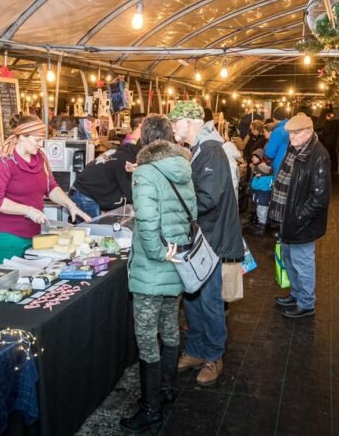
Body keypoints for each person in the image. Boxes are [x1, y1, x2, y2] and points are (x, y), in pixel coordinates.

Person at [119, 116, 195, 433]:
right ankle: (165, 389)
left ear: (144, 141)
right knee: (171, 326)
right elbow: (191, 211)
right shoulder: (182, 167)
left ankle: (150, 409)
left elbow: (147, 222)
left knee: (147, 338)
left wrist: (153, 251)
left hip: (154, 265)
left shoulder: (146, 173)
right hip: (177, 259)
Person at [168, 101, 243, 387]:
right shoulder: (199, 150)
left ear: (189, 121)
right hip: (200, 239)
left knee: (209, 301)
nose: (174, 129)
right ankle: (196, 350)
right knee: (193, 299)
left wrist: (175, 207)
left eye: (176, 123)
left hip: (210, 241)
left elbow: (207, 199)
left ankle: (214, 355)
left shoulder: (210, 150)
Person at [0, 114, 92, 264]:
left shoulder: (39, 157)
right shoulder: (3, 162)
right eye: (37, 140)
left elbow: (51, 186)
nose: (41, 144)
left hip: (32, 232)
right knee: (6, 281)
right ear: (21, 136)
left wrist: (70, 204)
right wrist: (29, 210)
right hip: (5, 234)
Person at [269, 113, 331, 318]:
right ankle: (295, 294)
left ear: (308, 132)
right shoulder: (296, 147)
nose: (291, 138)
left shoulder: (319, 155)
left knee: (302, 262)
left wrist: (299, 217)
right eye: (290, 134)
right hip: (288, 217)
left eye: (295, 134)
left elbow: (320, 198)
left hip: (301, 221)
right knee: (289, 259)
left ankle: (306, 303)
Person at [70, 120, 143, 219]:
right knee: (94, 231)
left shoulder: (122, 152)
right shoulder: (127, 159)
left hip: (82, 190)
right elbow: (130, 193)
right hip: (86, 195)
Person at [249, 157, 274, 235]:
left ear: (261, 172)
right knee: (264, 212)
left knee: (261, 212)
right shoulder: (270, 178)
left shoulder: (261, 179)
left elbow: (253, 185)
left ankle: (261, 228)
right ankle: (262, 225)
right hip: (266, 198)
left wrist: (256, 178)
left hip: (261, 199)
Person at [264, 107, 291, 175]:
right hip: (292, 165)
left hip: (280, 166)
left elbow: (269, 153)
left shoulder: (278, 131)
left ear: (274, 119)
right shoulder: (292, 128)